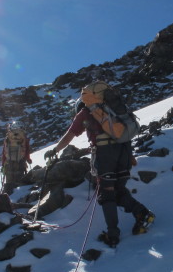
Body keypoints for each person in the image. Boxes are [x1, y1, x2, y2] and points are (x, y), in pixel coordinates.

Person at [44, 84, 154, 247]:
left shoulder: (86, 112)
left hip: (105, 154)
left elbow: (70, 135)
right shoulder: (113, 110)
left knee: (107, 193)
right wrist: (129, 157)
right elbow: (121, 135)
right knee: (119, 190)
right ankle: (142, 213)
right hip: (124, 151)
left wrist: (55, 150)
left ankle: (113, 235)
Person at [1, 122, 31, 193]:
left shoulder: (8, 138)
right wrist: (28, 159)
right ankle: (19, 194)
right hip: (21, 162)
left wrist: (3, 163)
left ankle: (9, 194)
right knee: (20, 179)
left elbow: (4, 152)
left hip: (9, 163)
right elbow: (27, 150)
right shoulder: (23, 137)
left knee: (9, 181)